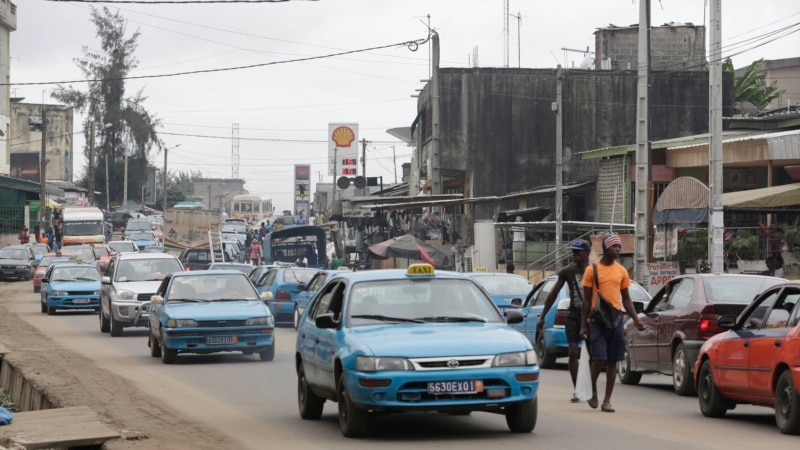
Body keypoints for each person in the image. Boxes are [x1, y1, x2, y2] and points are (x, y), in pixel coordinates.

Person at [580, 234, 644, 413]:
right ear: (606, 248)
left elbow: (626, 299)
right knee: (599, 358)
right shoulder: (592, 270)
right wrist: (583, 325)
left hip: (616, 320)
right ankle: (592, 390)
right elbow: (585, 299)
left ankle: (607, 400)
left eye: (619, 247)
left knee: (613, 360)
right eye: (615, 246)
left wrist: (636, 318)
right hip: (597, 320)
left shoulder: (622, 271)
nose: (618, 249)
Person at [536, 239, 591, 403]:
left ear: (587, 253)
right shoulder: (567, 271)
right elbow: (553, 293)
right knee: (573, 352)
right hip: (573, 316)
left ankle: (591, 390)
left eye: (578, 252)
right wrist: (543, 316)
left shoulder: (596, 271)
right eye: (573, 252)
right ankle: (577, 389)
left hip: (592, 317)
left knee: (595, 356)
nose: (574, 254)